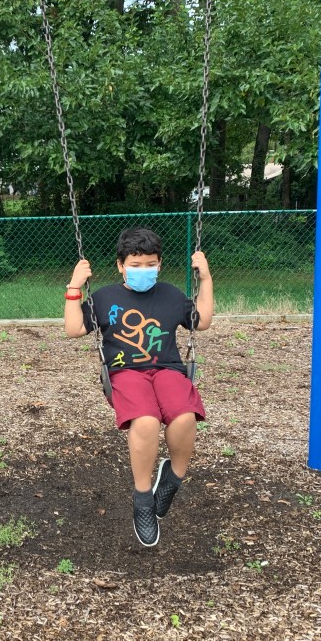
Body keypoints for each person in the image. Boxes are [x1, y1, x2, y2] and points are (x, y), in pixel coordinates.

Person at [64, 227, 213, 548]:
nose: (143, 270)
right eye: (135, 264)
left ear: (160, 264)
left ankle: (173, 479)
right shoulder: (105, 298)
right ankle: (143, 498)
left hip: (168, 369)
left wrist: (206, 279)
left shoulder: (171, 295)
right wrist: (75, 287)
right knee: (145, 421)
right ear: (121, 265)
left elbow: (201, 321)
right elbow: (74, 328)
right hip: (125, 372)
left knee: (184, 417)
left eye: (150, 264)